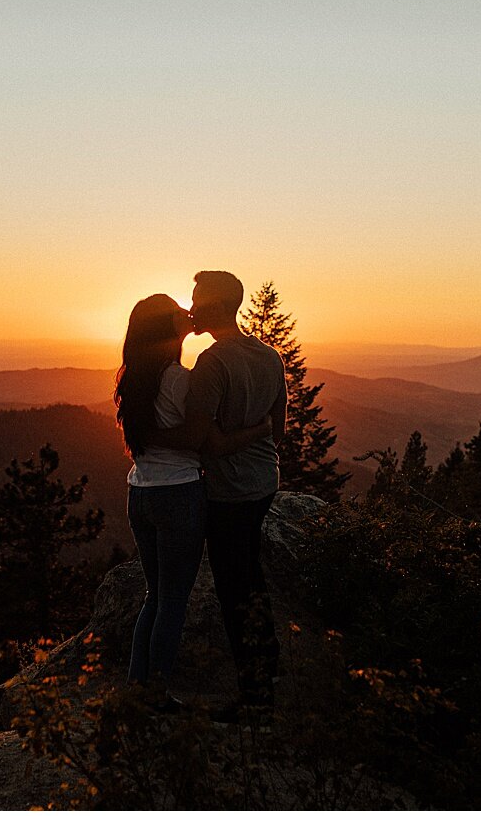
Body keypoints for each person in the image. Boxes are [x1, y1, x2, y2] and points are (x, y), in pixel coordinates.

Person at [114, 294, 271, 707]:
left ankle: (137, 688)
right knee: (172, 602)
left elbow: (149, 436)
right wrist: (260, 431)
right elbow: (207, 441)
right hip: (178, 495)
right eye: (177, 311)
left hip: (140, 493)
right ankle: (157, 694)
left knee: (154, 596)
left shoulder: (132, 377)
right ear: (166, 327)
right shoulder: (180, 380)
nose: (188, 312)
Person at [154, 271, 287, 726]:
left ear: (213, 306)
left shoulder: (212, 363)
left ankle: (254, 699)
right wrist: (258, 431)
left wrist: (147, 435)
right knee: (250, 576)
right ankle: (266, 676)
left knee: (236, 589)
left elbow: (199, 439)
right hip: (263, 484)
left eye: (195, 298)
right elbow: (279, 428)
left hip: (228, 493)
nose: (191, 305)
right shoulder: (270, 357)